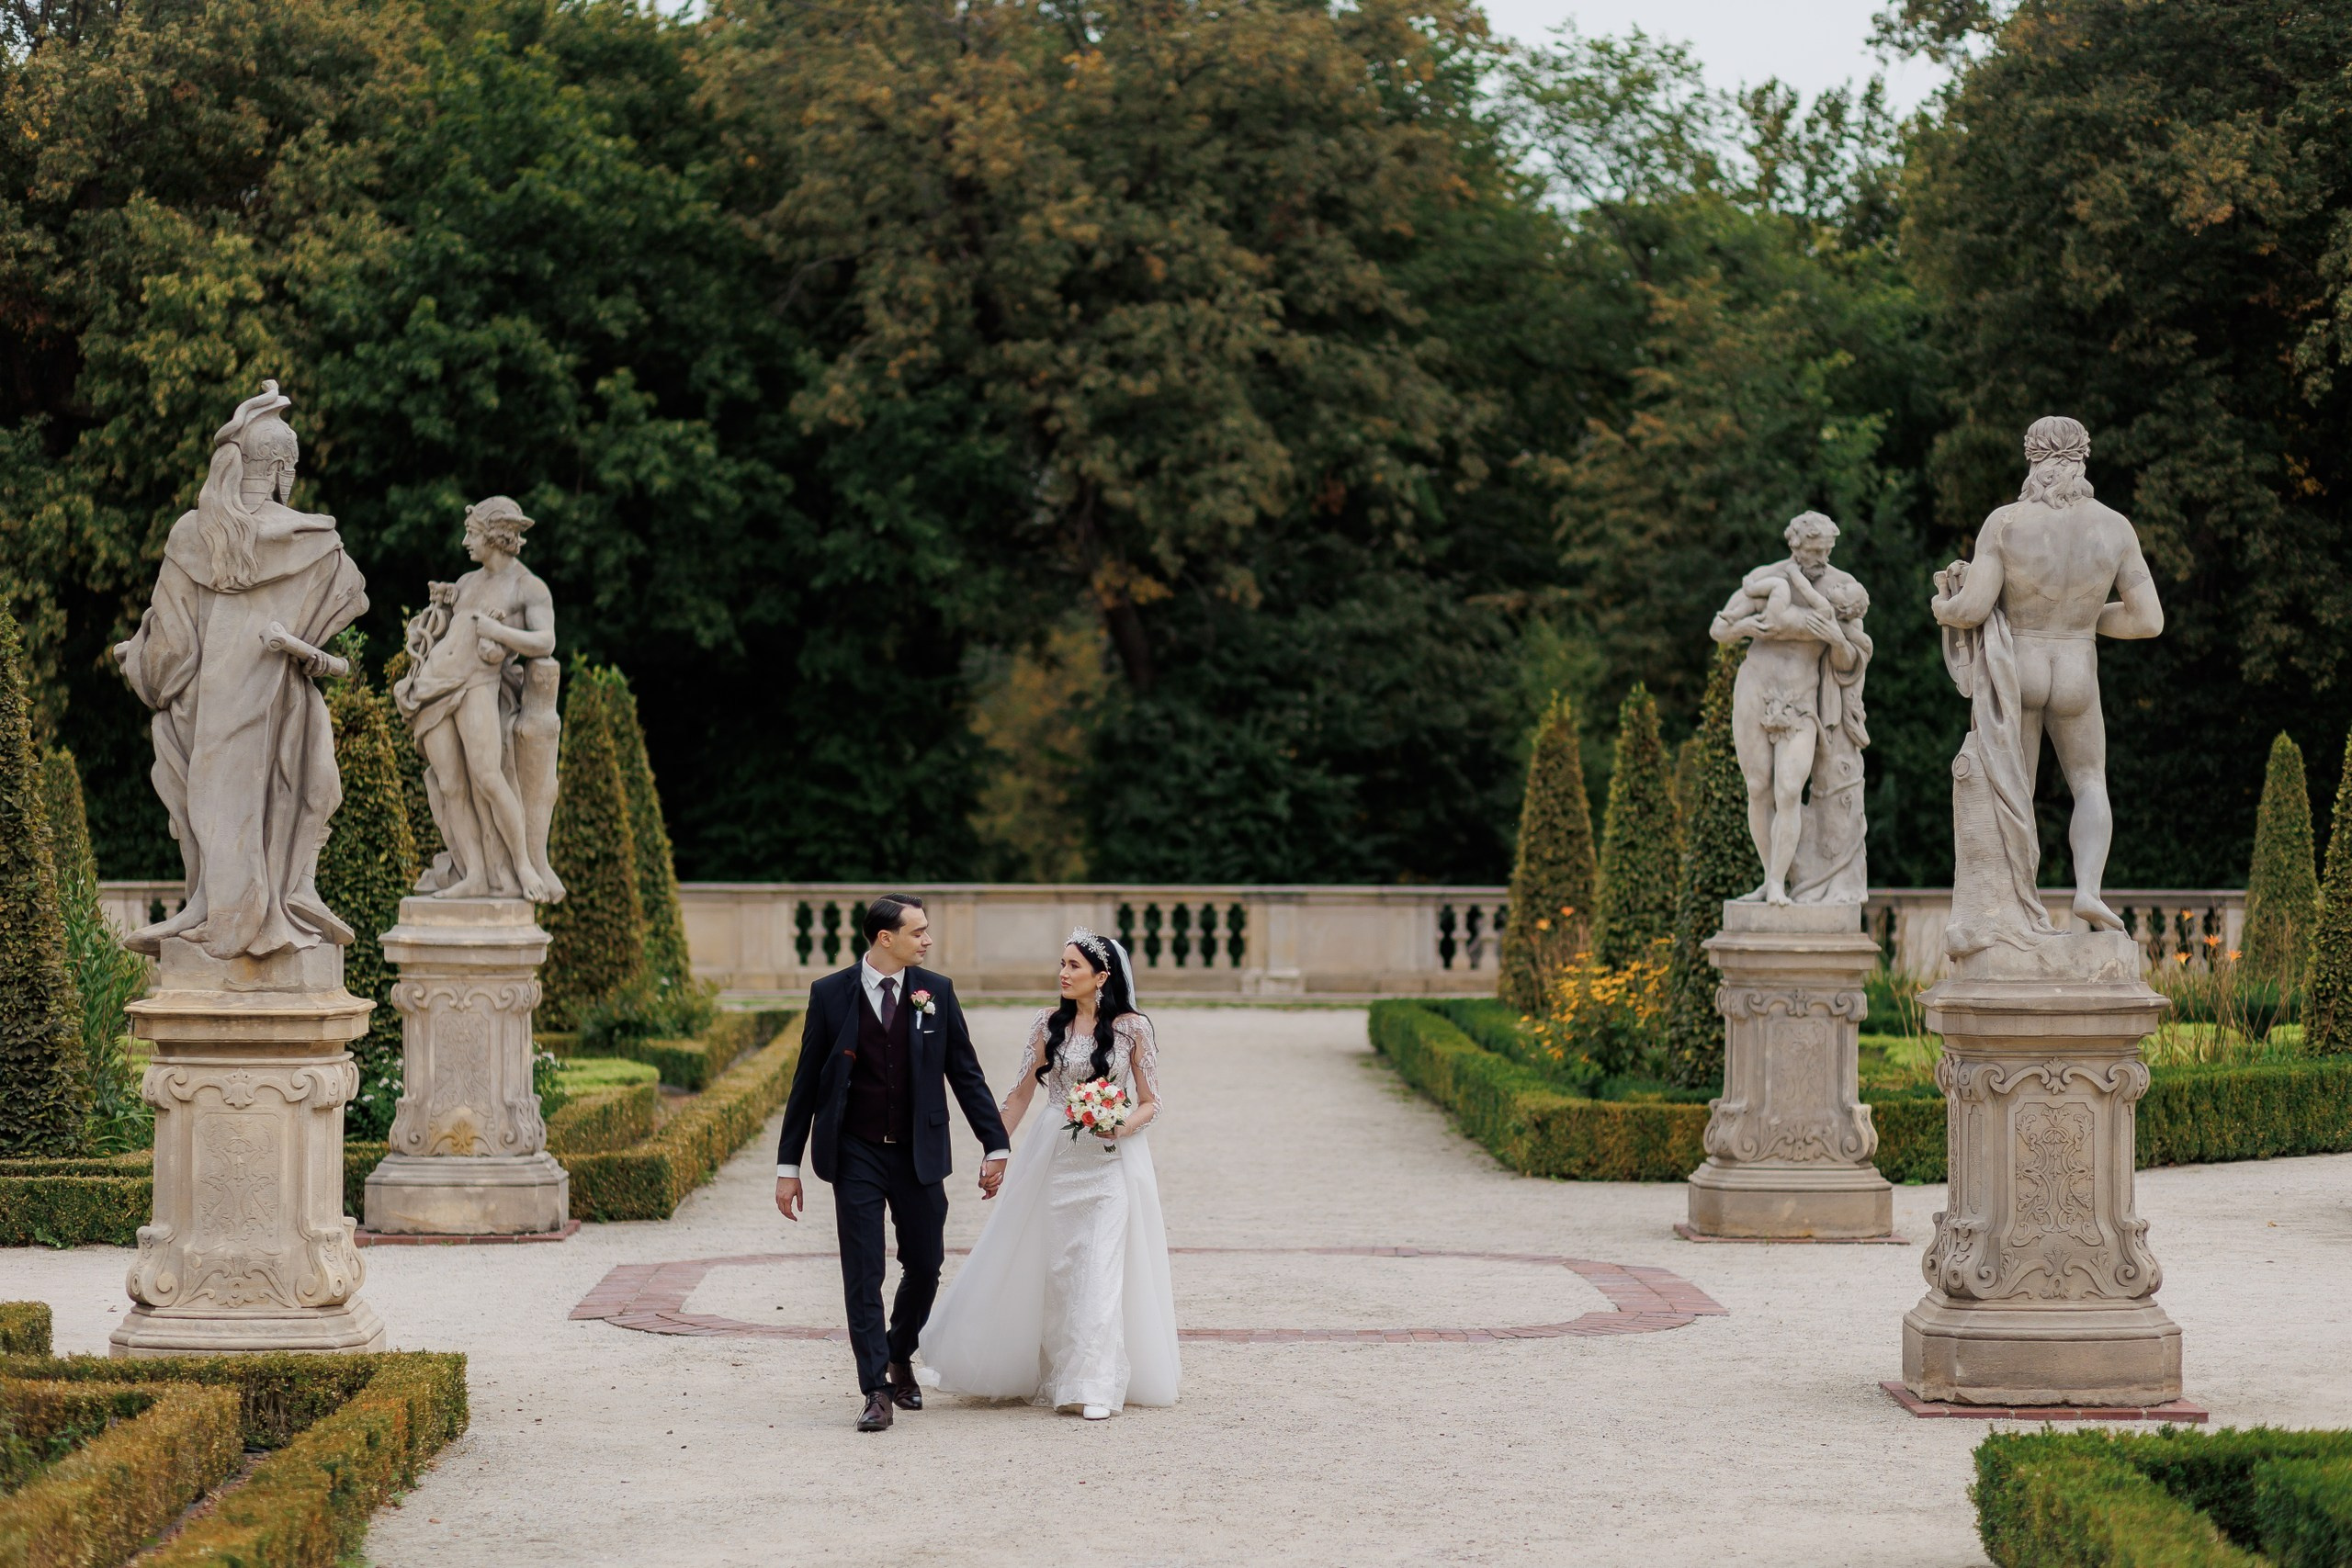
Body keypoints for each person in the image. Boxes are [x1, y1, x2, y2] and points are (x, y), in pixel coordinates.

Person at [114, 379, 368, 959]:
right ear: (284, 468)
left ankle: (219, 909)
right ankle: (273, 908)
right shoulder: (322, 548)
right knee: (291, 796)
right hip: (283, 709)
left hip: (207, 719)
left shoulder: (191, 535)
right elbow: (344, 605)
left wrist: (139, 658)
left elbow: (168, 654)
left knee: (207, 805)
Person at [917, 930, 1181, 1419]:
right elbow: (1018, 1096)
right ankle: (1055, 1371)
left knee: (1098, 1271)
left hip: (1108, 1166)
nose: (1063, 973)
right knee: (1058, 1272)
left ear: (1102, 977)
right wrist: (995, 1151)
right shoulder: (1045, 1025)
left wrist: (1121, 1123)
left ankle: (1093, 1385)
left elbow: (1152, 1101)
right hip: (1053, 1159)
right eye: (1061, 964)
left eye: (1074, 966)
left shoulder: (1133, 1029)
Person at [773, 895, 1010, 1431]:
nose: (927, 940)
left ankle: (900, 1351)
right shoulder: (830, 995)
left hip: (918, 1152)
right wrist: (789, 1165)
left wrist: (994, 1143)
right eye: (918, 932)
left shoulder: (936, 992)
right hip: (854, 1151)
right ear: (886, 938)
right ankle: (876, 1388)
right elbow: (806, 1083)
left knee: (925, 1264)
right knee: (863, 1271)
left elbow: (965, 1072)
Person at [1931, 415, 2164, 951]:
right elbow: (2148, 620)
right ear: (2083, 460)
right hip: (2078, 666)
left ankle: (2015, 907)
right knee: (2089, 782)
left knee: (2017, 789)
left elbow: (1972, 608)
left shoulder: (2006, 523)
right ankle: (2088, 890)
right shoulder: (2115, 527)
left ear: (2033, 462)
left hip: (2021, 664)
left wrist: (1944, 606)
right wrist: (2085, 621)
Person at [391, 496, 562, 903]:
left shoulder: (527, 587)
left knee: (488, 778)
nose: (465, 541)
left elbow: (546, 641)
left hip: (477, 687)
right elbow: (448, 633)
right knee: (451, 784)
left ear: (497, 537)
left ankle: (522, 866)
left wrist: (497, 631)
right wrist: (436, 610)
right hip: (435, 685)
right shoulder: (468, 582)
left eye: (472, 534)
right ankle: (474, 874)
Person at [1708, 512, 1872, 906]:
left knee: (1788, 788)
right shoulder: (1768, 577)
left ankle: (1781, 884)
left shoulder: (1841, 587)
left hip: (1801, 700)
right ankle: (1769, 880)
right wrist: (1752, 628)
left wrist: (1835, 639)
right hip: (1755, 689)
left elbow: (1853, 659)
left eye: (1826, 551)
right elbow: (1719, 629)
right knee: (1758, 787)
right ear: (1795, 546)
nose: (1820, 559)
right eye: (1813, 551)